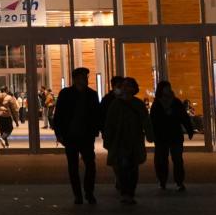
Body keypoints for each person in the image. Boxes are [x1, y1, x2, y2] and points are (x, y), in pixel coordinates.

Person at [50, 66, 103, 205]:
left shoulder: (92, 94)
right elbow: (59, 115)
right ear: (75, 79)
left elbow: (96, 114)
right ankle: (78, 195)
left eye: (86, 77)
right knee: (73, 167)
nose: (85, 79)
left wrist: (96, 130)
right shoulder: (66, 94)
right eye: (83, 77)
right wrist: (59, 133)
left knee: (90, 165)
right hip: (71, 136)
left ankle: (89, 192)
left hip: (86, 136)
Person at [101, 77, 152, 205]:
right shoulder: (116, 104)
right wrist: (108, 139)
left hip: (134, 141)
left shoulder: (138, 104)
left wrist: (150, 135)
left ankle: (129, 192)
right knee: (122, 167)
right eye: (124, 86)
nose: (126, 88)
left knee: (132, 168)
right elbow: (109, 124)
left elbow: (146, 121)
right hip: (120, 141)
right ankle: (125, 192)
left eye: (129, 86)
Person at [150, 79, 189, 193]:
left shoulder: (176, 102)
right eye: (165, 87)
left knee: (177, 160)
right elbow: (153, 120)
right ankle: (162, 181)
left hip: (175, 135)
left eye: (168, 87)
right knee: (161, 160)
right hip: (161, 136)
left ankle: (179, 182)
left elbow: (183, 116)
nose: (167, 90)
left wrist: (189, 129)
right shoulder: (157, 103)